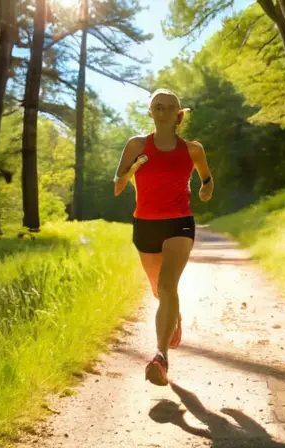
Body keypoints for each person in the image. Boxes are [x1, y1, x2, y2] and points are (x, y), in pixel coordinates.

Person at [113, 88, 214, 386]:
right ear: (150, 113)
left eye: (169, 107)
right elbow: (117, 185)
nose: (163, 111)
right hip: (145, 225)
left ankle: (160, 357)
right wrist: (135, 167)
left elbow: (207, 178)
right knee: (160, 292)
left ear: (178, 115)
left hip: (179, 223)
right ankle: (174, 318)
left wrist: (206, 189)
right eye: (157, 106)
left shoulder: (193, 149)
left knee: (168, 286)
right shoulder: (136, 145)